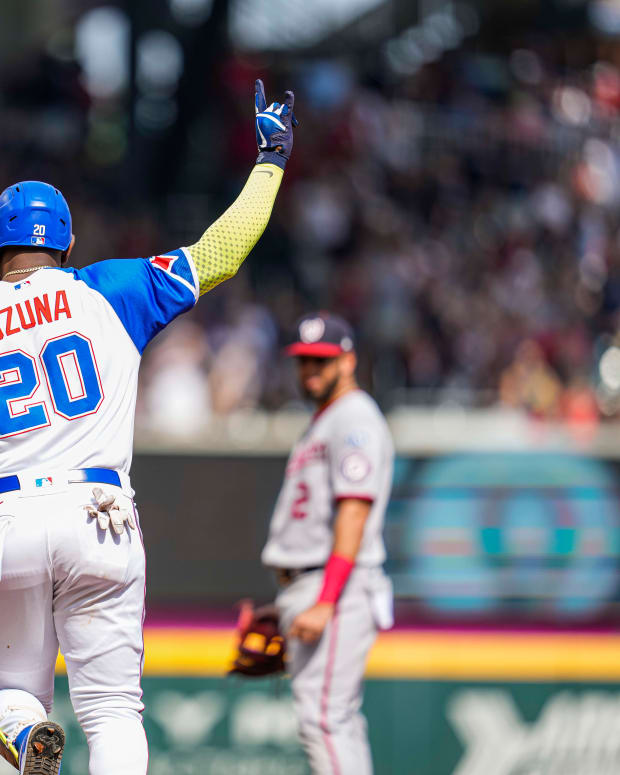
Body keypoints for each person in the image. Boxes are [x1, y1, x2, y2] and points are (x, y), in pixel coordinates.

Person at [0, 78, 295, 775]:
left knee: (12, 692)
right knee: (112, 711)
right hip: (99, 512)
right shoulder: (110, 289)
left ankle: (18, 729)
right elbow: (222, 251)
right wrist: (271, 158)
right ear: (66, 241)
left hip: (9, 510)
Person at [261, 311, 394, 775]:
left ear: (349, 359)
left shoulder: (355, 418)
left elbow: (354, 511)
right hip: (311, 583)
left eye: (322, 360)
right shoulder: (325, 420)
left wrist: (326, 599)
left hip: (335, 585)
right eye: (303, 361)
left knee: (324, 719)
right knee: (337, 720)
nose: (311, 370)